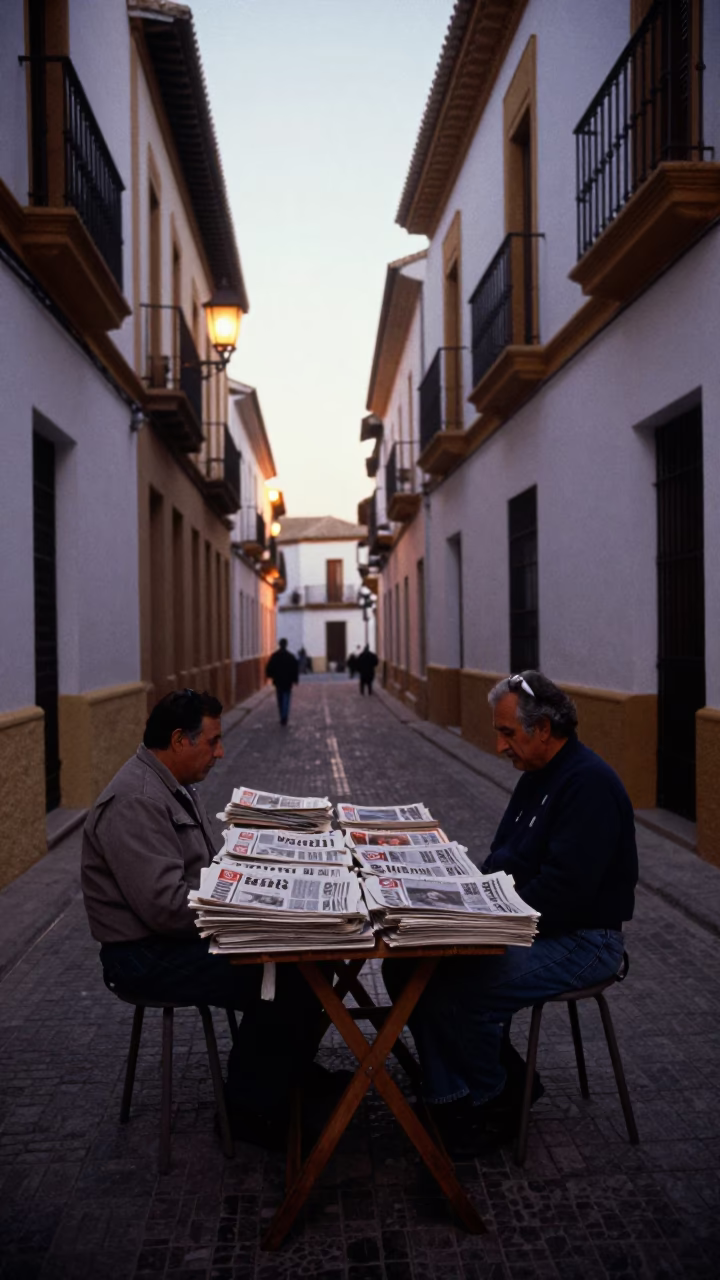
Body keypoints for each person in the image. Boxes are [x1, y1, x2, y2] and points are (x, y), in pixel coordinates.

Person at [383, 670, 638, 1158]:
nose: (501, 746)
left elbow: (566, 895)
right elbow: (503, 857)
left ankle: (494, 1096)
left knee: (453, 990)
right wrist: (462, 899)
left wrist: (485, 924)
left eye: (507, 733)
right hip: (531, 922)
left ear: (543, 728)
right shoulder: (538, 775)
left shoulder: (588, 785)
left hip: (585, 941)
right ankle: (452, 1096)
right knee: (407, 968)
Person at [81, 689, 334, 1150]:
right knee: (287, 977)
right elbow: (166, 908)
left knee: (311, 961)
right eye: (213, 741)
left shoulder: (170, 785)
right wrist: (251, 913)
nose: (220, 752)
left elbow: (205, 871)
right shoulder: (136, 801)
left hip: (178, 936)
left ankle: (285, 1071)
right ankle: (251, 1110)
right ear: (179, 740)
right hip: (145, 955)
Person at [265, 638, 299, 725]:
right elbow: (295, 669)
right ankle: (284, 716)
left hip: (278, 681)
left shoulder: (275, 656)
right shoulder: (290, 657)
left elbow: (269, 668)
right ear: (286, 645)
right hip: (287, 682)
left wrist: (271, 676)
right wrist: (295, 680)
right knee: (286, 699)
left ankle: (282, 715)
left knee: (280, 699)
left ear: (279, 644)